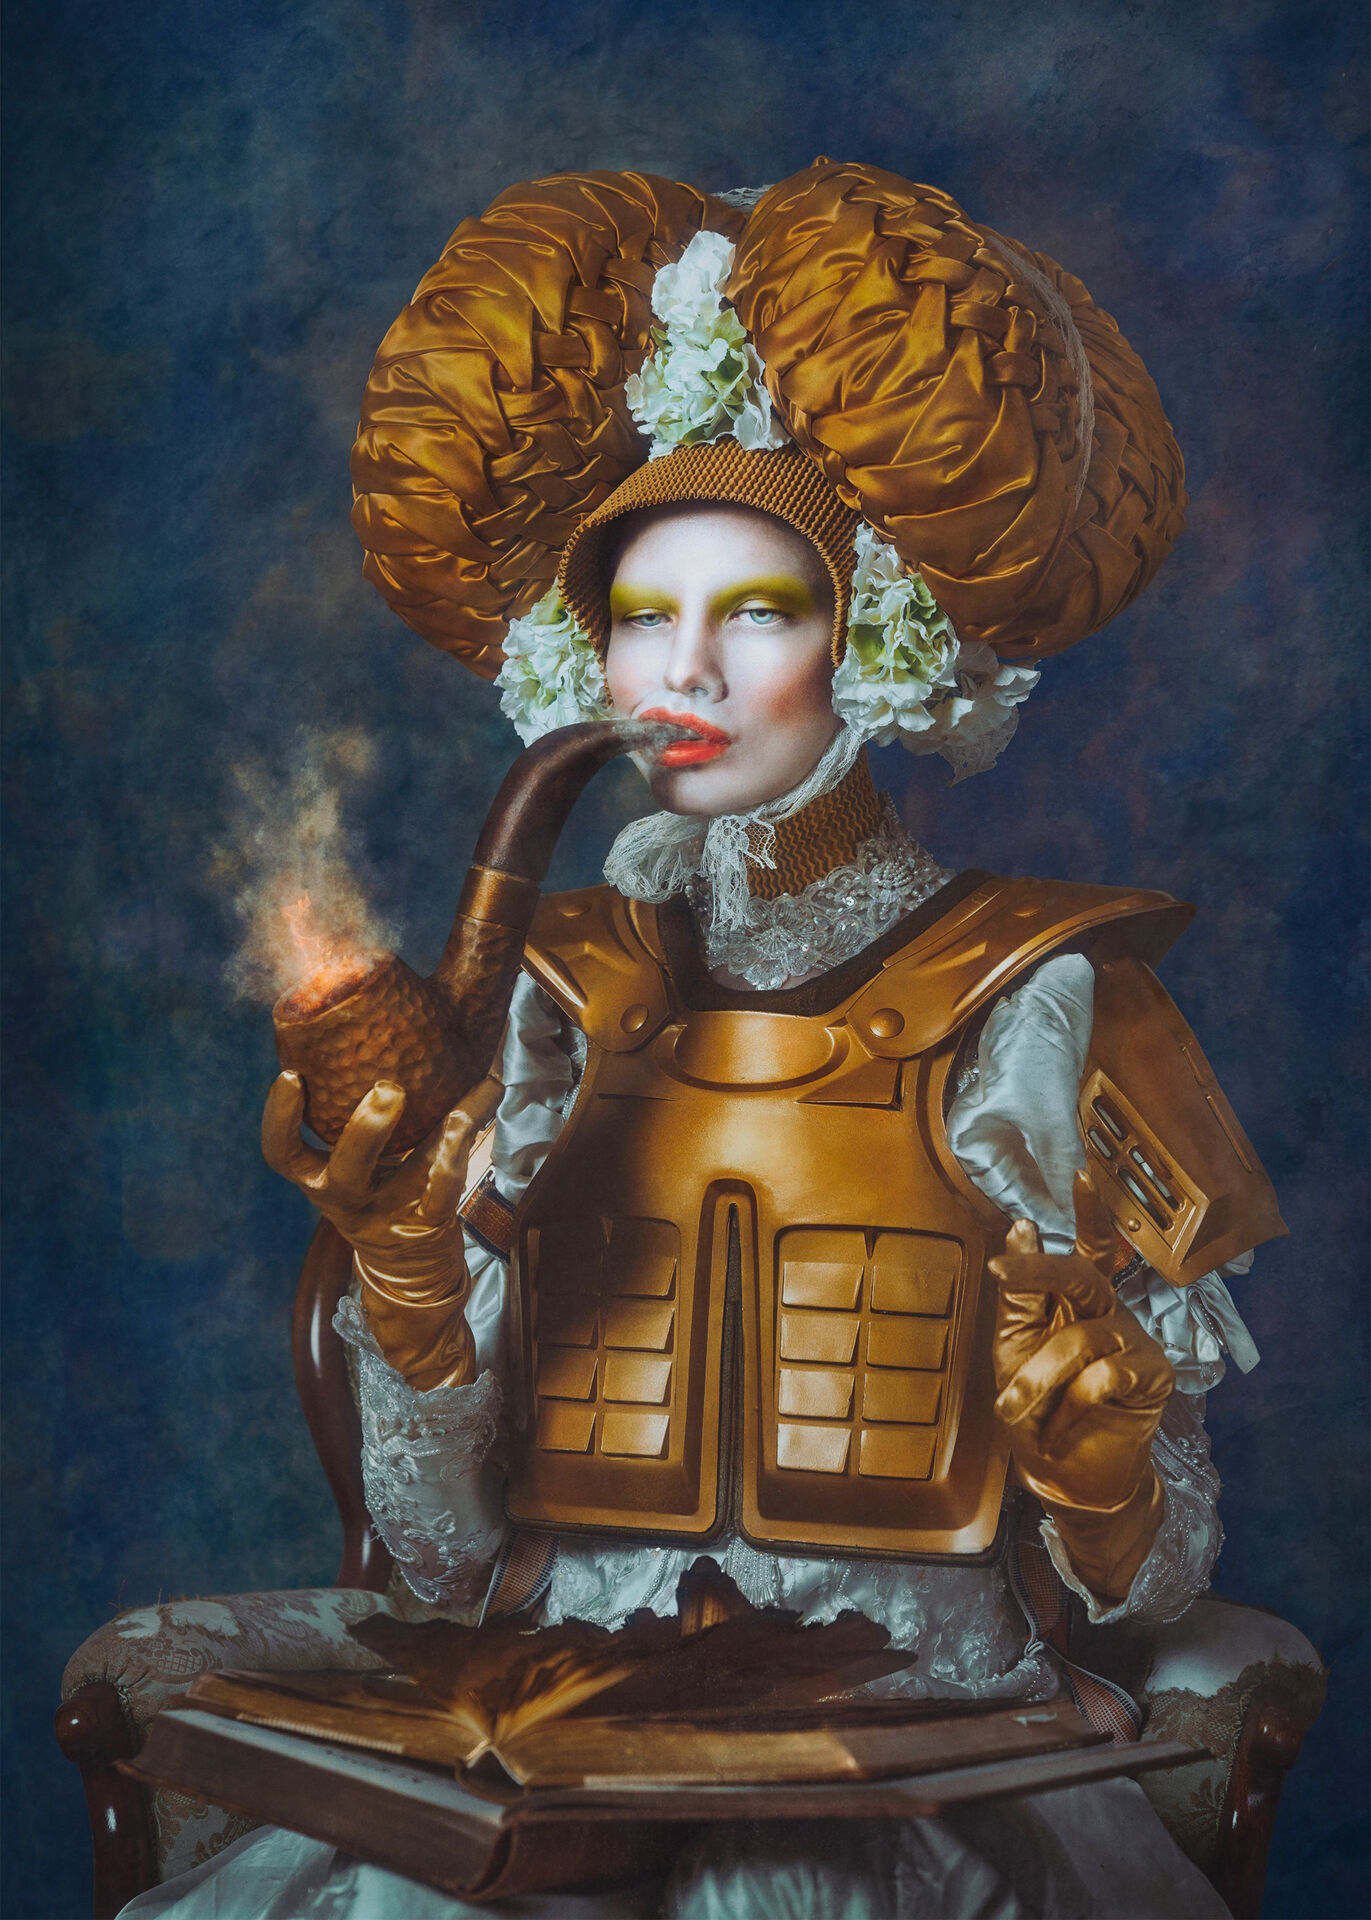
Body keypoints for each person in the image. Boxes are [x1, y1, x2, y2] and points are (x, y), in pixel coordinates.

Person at [122, 162, 1282, 1918]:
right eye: (645, 618)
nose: (689, 674)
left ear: (873, 634)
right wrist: (415, 1304)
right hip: (569, 1733)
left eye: (758, 611)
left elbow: (1153, 1583)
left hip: (922, 1743)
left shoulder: (1046, 990)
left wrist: (1102, 1466)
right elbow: (439, 1569)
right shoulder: (549, 995)